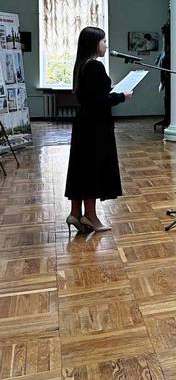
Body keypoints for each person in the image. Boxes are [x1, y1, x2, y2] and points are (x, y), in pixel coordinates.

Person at [64, 26, 132, 233]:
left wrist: (108, 91)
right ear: (94, 43)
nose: (106, 45)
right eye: (104, 41)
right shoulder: (95, 66)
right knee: (92, 169)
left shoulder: (82, 64)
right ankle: (91, 217)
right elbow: (101, 101)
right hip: (95, 125)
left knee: (81, 167)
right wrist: (122, 96)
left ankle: (75, 213)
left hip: (83, 122)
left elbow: (92, 95)